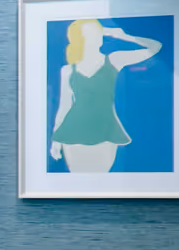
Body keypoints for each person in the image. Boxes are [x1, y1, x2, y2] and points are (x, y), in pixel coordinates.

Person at [50, 18, 161, 173]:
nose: (96, 37)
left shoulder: (114, 60)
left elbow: (155, 47)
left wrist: (122, 35)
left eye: (98, 33)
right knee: (79, 183)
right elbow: (65, 106)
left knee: (100, 179)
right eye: (90, 34)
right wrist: (55, 141)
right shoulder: (68, 70)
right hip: (73, 134)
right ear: (80, 38)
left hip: (105, 131)